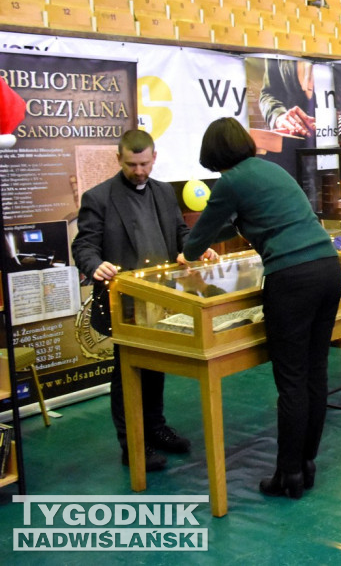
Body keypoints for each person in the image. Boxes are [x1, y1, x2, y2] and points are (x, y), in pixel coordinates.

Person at [182, 117, 341, 500]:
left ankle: (287, 475)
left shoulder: (232, 181)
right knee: (315, 373)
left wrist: (192, 248)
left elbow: (194, 244)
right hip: (327, 268)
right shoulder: (270, 170)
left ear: (215, 155)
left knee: (291, 381)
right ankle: (306, 464)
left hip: (292, 280)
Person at [72, 129, 216, 472]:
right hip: (125, 302)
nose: (139, 171)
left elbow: (180, 232)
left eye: (144, 163)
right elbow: (84, 246)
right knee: (128, 373)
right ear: (118, 159)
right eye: (132, 164)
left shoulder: (165, 192)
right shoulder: (99, 197)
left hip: (161, 296)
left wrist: (194, 249)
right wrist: (95, 265)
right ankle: (132, 443)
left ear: (154, 157)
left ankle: (156, 428)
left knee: (156, 367)